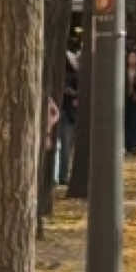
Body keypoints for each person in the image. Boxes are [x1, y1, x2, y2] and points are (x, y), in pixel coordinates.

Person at [57, 47, 79, 184]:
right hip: (63, 112)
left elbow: (78, 94)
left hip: (67, 113)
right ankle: (61, 174)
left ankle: (63, 175)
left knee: (65, 146)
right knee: (63, 146)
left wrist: (72, 94)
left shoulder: (74, 76)